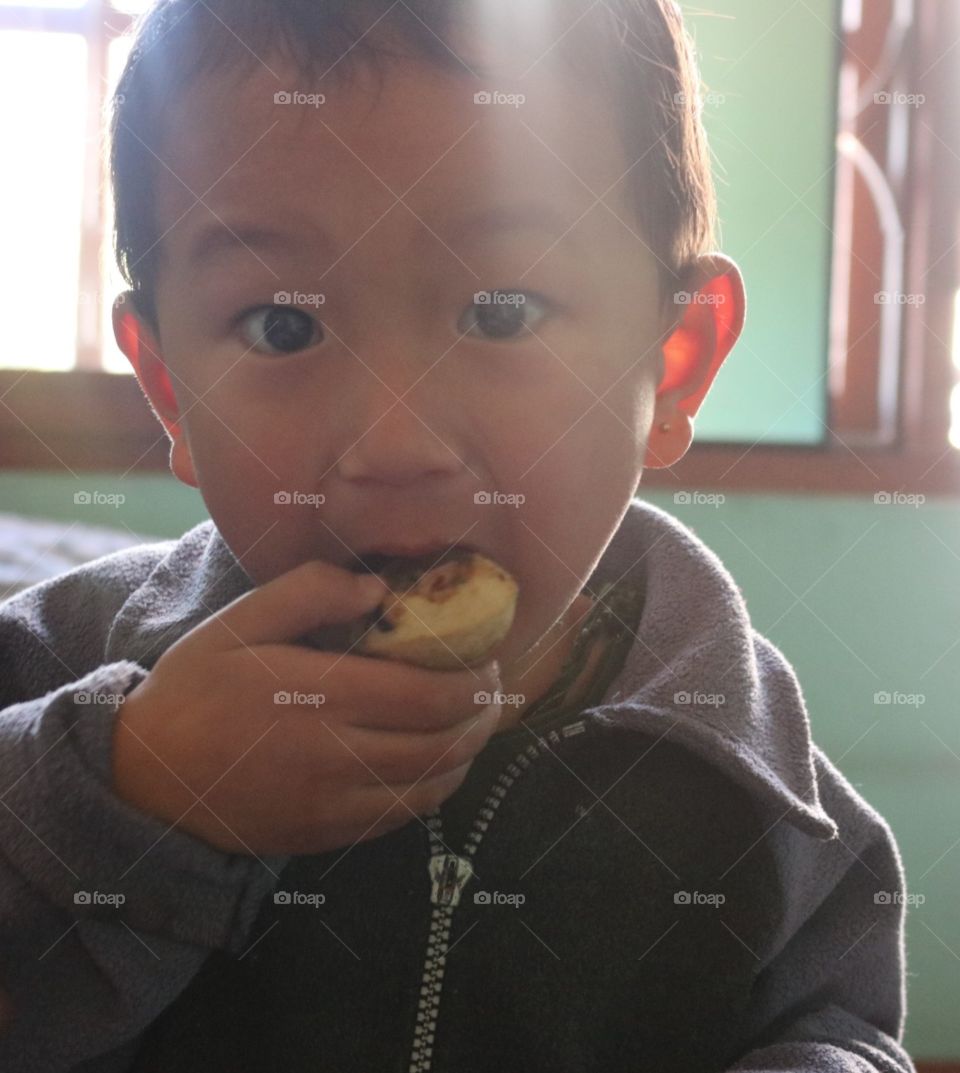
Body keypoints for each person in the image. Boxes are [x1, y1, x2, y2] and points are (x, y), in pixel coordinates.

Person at [0, 1, 917, 1070]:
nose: (394, 440)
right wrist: (131, 790)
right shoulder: (56, 663)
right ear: (168, 389)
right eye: (282, 325)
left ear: (672, 363)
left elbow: (837, 1027)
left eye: (503, 311)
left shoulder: (764, 793)